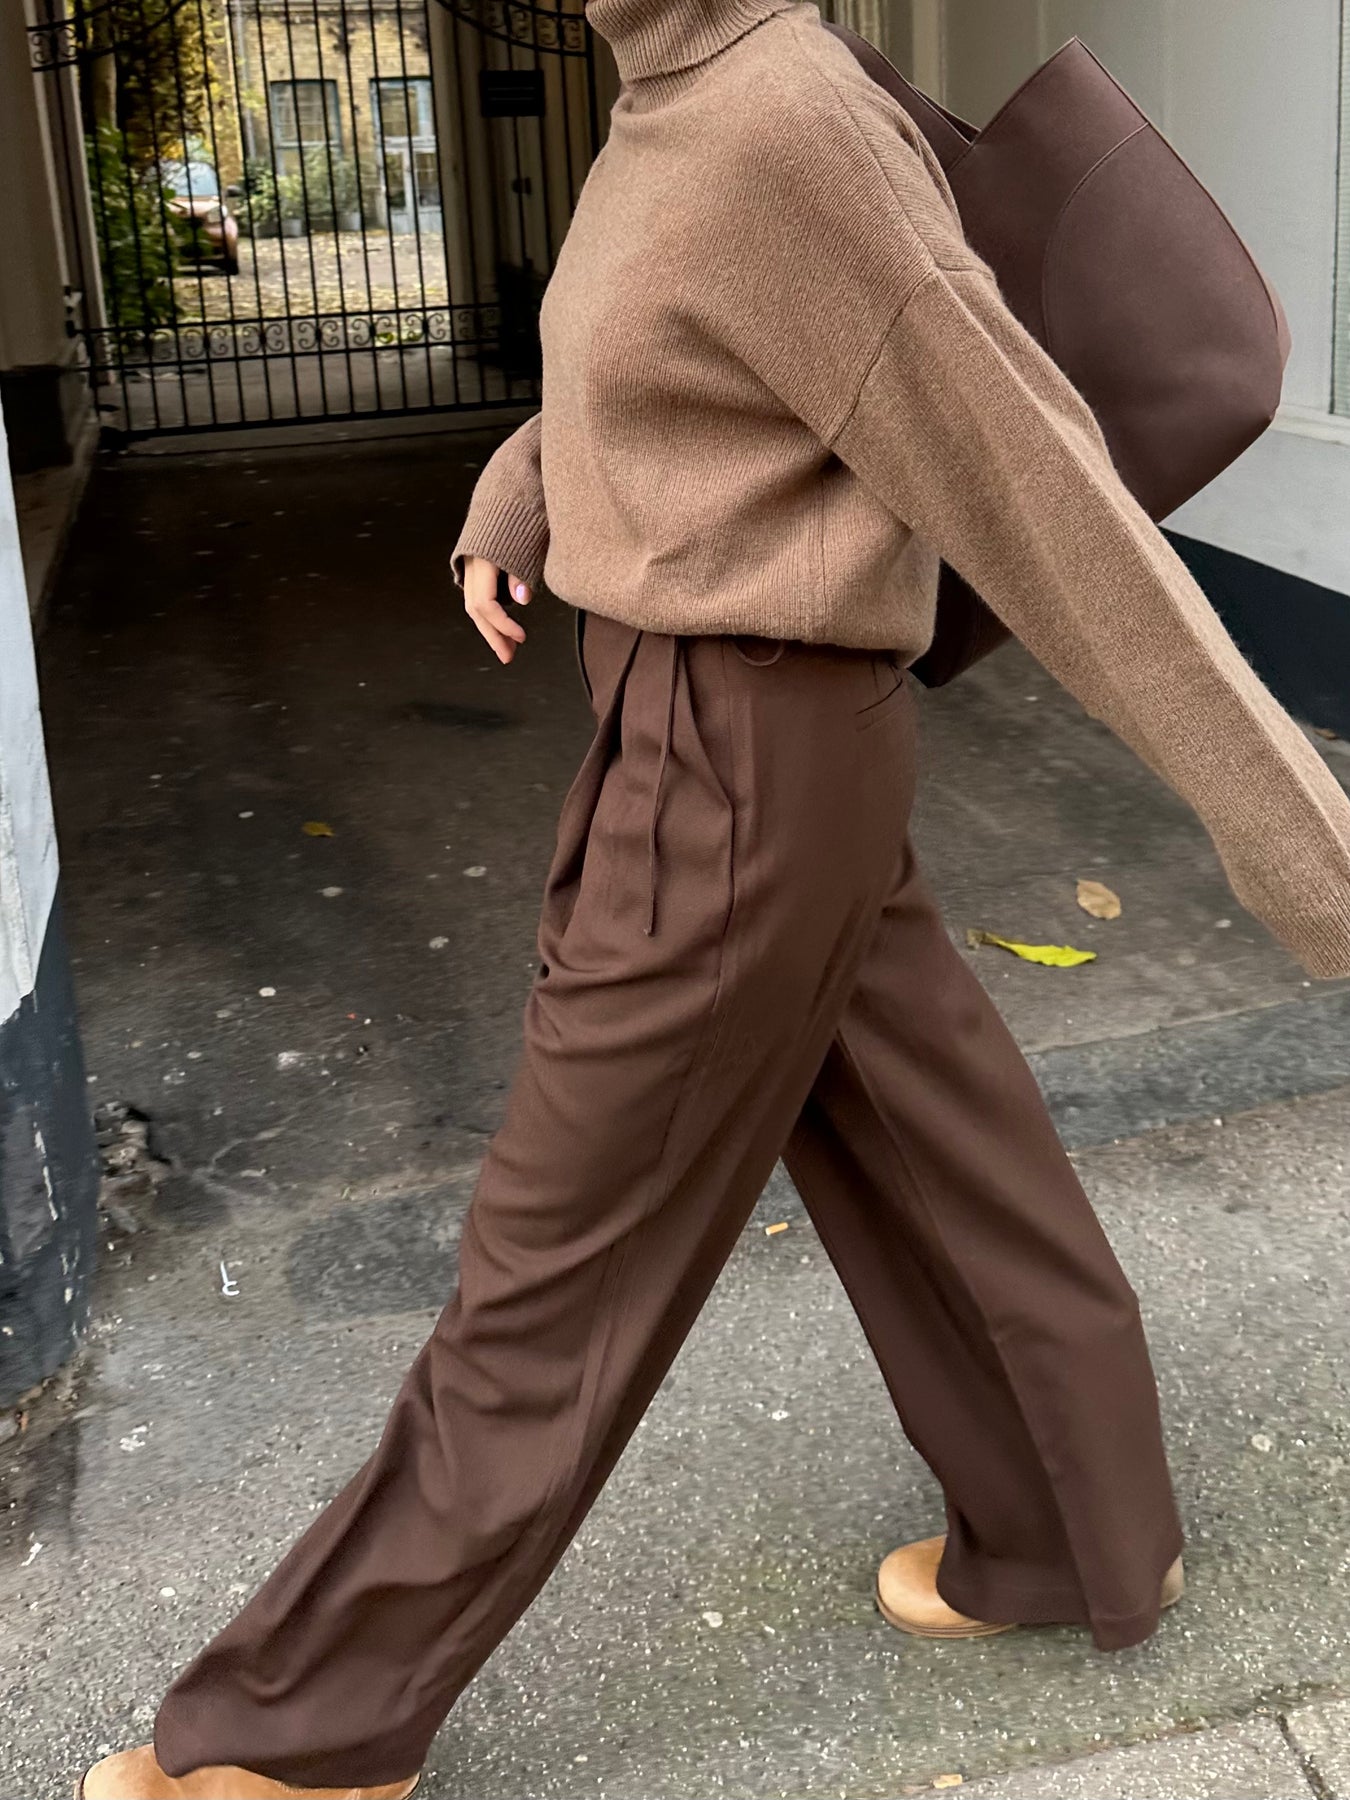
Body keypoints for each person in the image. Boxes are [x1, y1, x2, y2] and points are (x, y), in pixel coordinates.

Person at [81, 0, 1350, 1793]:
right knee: (939, 1150)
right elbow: (689, 355)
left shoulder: (777, 115)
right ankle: (1071, 1535)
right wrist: (523, 487)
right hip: (748, 745)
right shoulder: (673, 86)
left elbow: (1044, 492)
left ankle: (309, 1730)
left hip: (735, 756)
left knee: (556, 1260)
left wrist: (1308, 849)